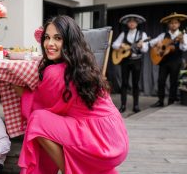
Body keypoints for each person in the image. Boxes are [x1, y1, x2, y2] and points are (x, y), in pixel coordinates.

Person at [12, 15, 128, 174]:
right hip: (115, 138)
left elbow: (40, 104)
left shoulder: (55, 72)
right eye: (47, 38)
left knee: (38, 120)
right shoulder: (85, 64)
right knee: (53, 121)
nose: (49, 44)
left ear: (69, 41)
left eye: (57, 38)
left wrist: (14, 85)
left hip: (100, 143)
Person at [150, 12, 187, 107]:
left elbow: (185, 48)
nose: (173, 25)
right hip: (164, 62)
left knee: (173, 82)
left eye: (175, 23)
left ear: (179, 24)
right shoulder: (163, 35)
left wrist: (182, 40)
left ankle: (171, 102)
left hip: (175, 61)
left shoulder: (183, 35)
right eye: (171, 23)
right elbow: (151, 43)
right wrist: (158, 44)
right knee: (161, 81)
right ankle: (160, 101)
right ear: (169, 25)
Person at [112, 14, 149, 113]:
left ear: (137, 23)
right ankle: (123, 105)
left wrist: (141, 46)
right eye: (130, 21)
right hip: (125, 61)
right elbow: (114, 45)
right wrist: (121, 45)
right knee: (124, 83)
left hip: (137, 61)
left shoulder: (143, 34)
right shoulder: (124, 34)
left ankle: (136, 105)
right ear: (127, 24)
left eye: (134, 21)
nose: (132, 23)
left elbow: (146, 49)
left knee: (135, 84)